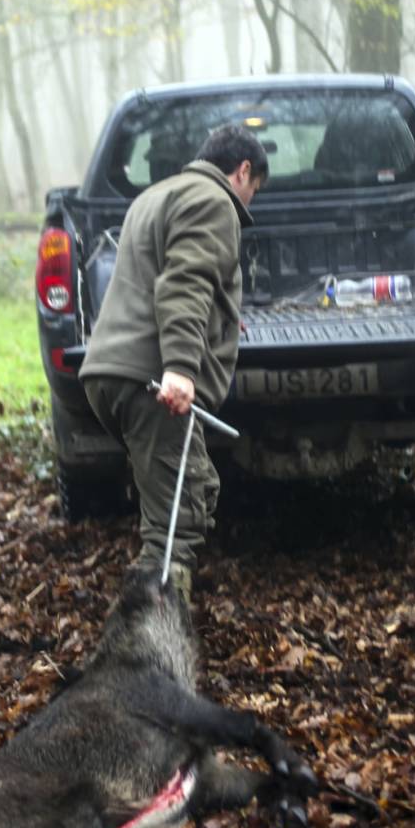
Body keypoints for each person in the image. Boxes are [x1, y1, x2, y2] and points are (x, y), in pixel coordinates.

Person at [80, 122, 269, 597]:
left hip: (109, 373)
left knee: (191, 488)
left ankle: (152, 625)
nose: (249, 203)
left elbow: (159, 278)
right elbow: (184, 282)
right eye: (254, 191)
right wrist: (181, 368)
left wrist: (221, 322)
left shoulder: (154, 197)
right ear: (243, 171)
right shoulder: (213, 201)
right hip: (153, 382)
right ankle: (151, 639)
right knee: (175, 526)